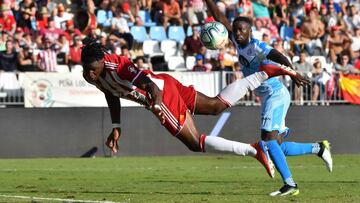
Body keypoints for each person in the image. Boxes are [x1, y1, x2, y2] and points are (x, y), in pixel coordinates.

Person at [80, 39, 307, 179]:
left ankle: (254, 150)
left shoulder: (119, 65)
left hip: (162, 93)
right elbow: (110, 93)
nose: (89, 73)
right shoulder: (92, 75)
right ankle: (265, 72)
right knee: (215, 106)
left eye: (92, 68)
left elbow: (149, 86)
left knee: (194, 142)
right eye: (86, 69)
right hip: (166, 83)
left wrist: (157, 104)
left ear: (101, 61)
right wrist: (116, 126)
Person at [204, 0, 333, 196]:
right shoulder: (237, 42)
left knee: (267, 139)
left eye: (242, 31)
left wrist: (292, 73)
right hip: (269, 96)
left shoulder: (257, 46)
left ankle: (290, 184)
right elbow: (220, 17)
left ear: (249, 32)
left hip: (276, 94)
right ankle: (319, 149)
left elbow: (281, 57)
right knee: (276, 145)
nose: (238, 34)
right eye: (236, 30)